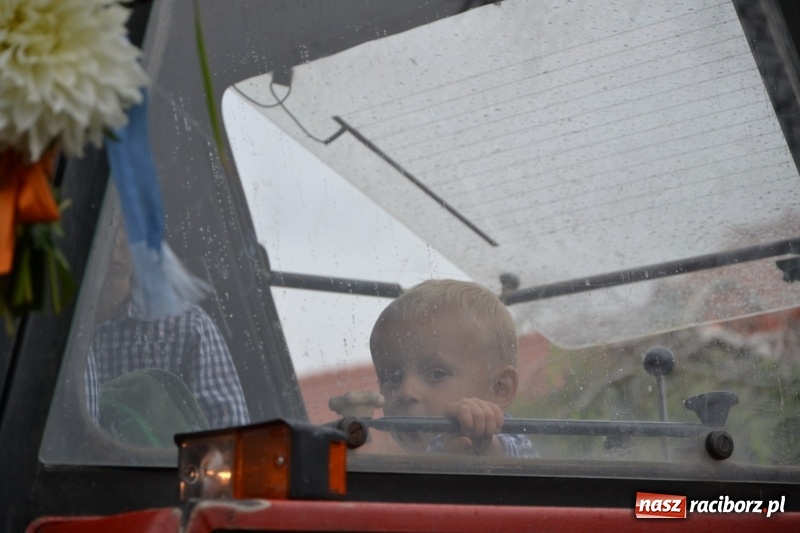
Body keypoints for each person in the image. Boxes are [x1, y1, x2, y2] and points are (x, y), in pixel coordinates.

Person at [84, 227, 250, 431]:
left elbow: (227, 443)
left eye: (126, 225)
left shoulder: (187, 327)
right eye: (105, 224)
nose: (115, 240)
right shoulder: (44, 332)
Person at [369, 279, 536, 457]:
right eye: (393, 378)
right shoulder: (400, 468)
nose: (406, 392)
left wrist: (483, 448)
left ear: (499, 387)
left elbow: (517, 463)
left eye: (437, 374)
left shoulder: (508, 437)